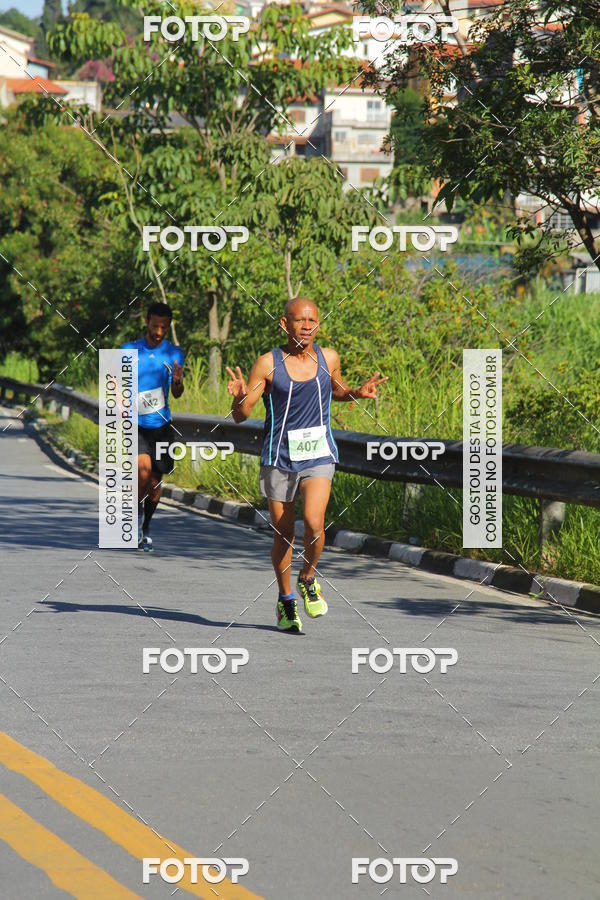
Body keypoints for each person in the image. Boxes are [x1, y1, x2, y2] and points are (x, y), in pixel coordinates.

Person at [226, 297, 387, 633]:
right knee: (283, 535)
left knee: (314, 522)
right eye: (300, 321)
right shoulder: (267, 364)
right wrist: (239, 397)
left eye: (313, 321)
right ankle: (286, 600)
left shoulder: (328, 357)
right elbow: (242, 415)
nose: (307, 326)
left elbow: (337, 389)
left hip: (318, 455)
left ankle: (308, 575)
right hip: (279, 458)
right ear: (285, 324)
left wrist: (357, 391)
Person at [121, 302, 184, 552]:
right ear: (146, 322)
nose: (159, 331)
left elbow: (177, 393)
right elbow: (115, 383)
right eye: (155, 325)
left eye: (164, 327)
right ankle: (134, 523)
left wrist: (177, 382)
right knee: (143, 470)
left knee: (155, 484)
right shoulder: (129, 350)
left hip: (161, 425)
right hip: (135, 424)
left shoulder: (174, 353)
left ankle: (146, 525)